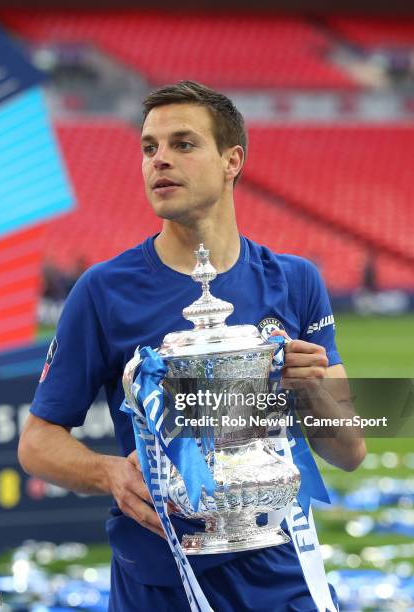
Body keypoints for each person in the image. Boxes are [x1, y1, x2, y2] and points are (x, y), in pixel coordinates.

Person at [19, 81, 366, 611]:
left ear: (232, 161)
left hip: (282, 571)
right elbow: (37, 443)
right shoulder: (103, 291)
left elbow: (349, 451)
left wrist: (313, 390)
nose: (159, 160)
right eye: (148, 147)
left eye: (183, 144)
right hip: (161, 576)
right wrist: (108, 472)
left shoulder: (296, 281)